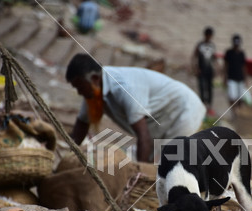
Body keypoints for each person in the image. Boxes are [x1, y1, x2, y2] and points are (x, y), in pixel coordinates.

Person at [66, 54, 206, 162]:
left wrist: (139, 172)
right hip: (160, 124)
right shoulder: (93, 92)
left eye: (80, 87)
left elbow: (143, 136)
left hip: (184, 109)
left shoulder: (123, 88)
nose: (79, 92)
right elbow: (81, 125)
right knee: (155, 163)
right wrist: (69, 156)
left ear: (95, 78)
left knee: (167, 164)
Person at [224, 34, 251, 116]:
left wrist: (246, 79)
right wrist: (225, 77)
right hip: (231, 77)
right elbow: (226, 65)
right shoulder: (229, 52)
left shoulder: (241, 53)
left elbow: (243, 66)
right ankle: (233, 110)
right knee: (232, 96)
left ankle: (238, 110)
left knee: (240, 97)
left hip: (240, 78)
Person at [192, 26, 216, 116]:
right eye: (208, 35)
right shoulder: (200, 45)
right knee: (202, 88)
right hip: (201, 70)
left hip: (209, 70)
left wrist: (216, 69)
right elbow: (194, 56)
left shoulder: (212, 46)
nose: (209, 37)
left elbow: (213, 58)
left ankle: (209, 107)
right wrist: (195, 68)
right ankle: (202, 106)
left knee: (210, 88)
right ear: (205, 35)